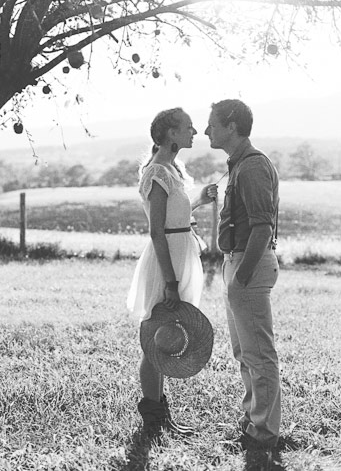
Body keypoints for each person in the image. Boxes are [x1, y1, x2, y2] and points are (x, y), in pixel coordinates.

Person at [127, 107, 217, 438]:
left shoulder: (172, 170)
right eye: (188, 128)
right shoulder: (156, 173)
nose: (194, 132)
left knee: (168, 335)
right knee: (155, 340)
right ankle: (152, 415)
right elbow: (156, 231)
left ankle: (161, 413)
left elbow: (175, 216)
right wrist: (170, 281)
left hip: (182, 253)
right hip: (166, 261)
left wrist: (199, 201)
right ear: (170, 133)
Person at [204, 99, 282, 470]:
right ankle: (255, 420)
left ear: (231, 125)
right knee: (244, 352)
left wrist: (242, 275)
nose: (206, 132)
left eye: (212, 125)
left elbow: (262, 226)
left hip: (247, 267)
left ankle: (264, 431)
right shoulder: (239, 165)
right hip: (237, 264)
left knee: (258, 353)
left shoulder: (251, 167)